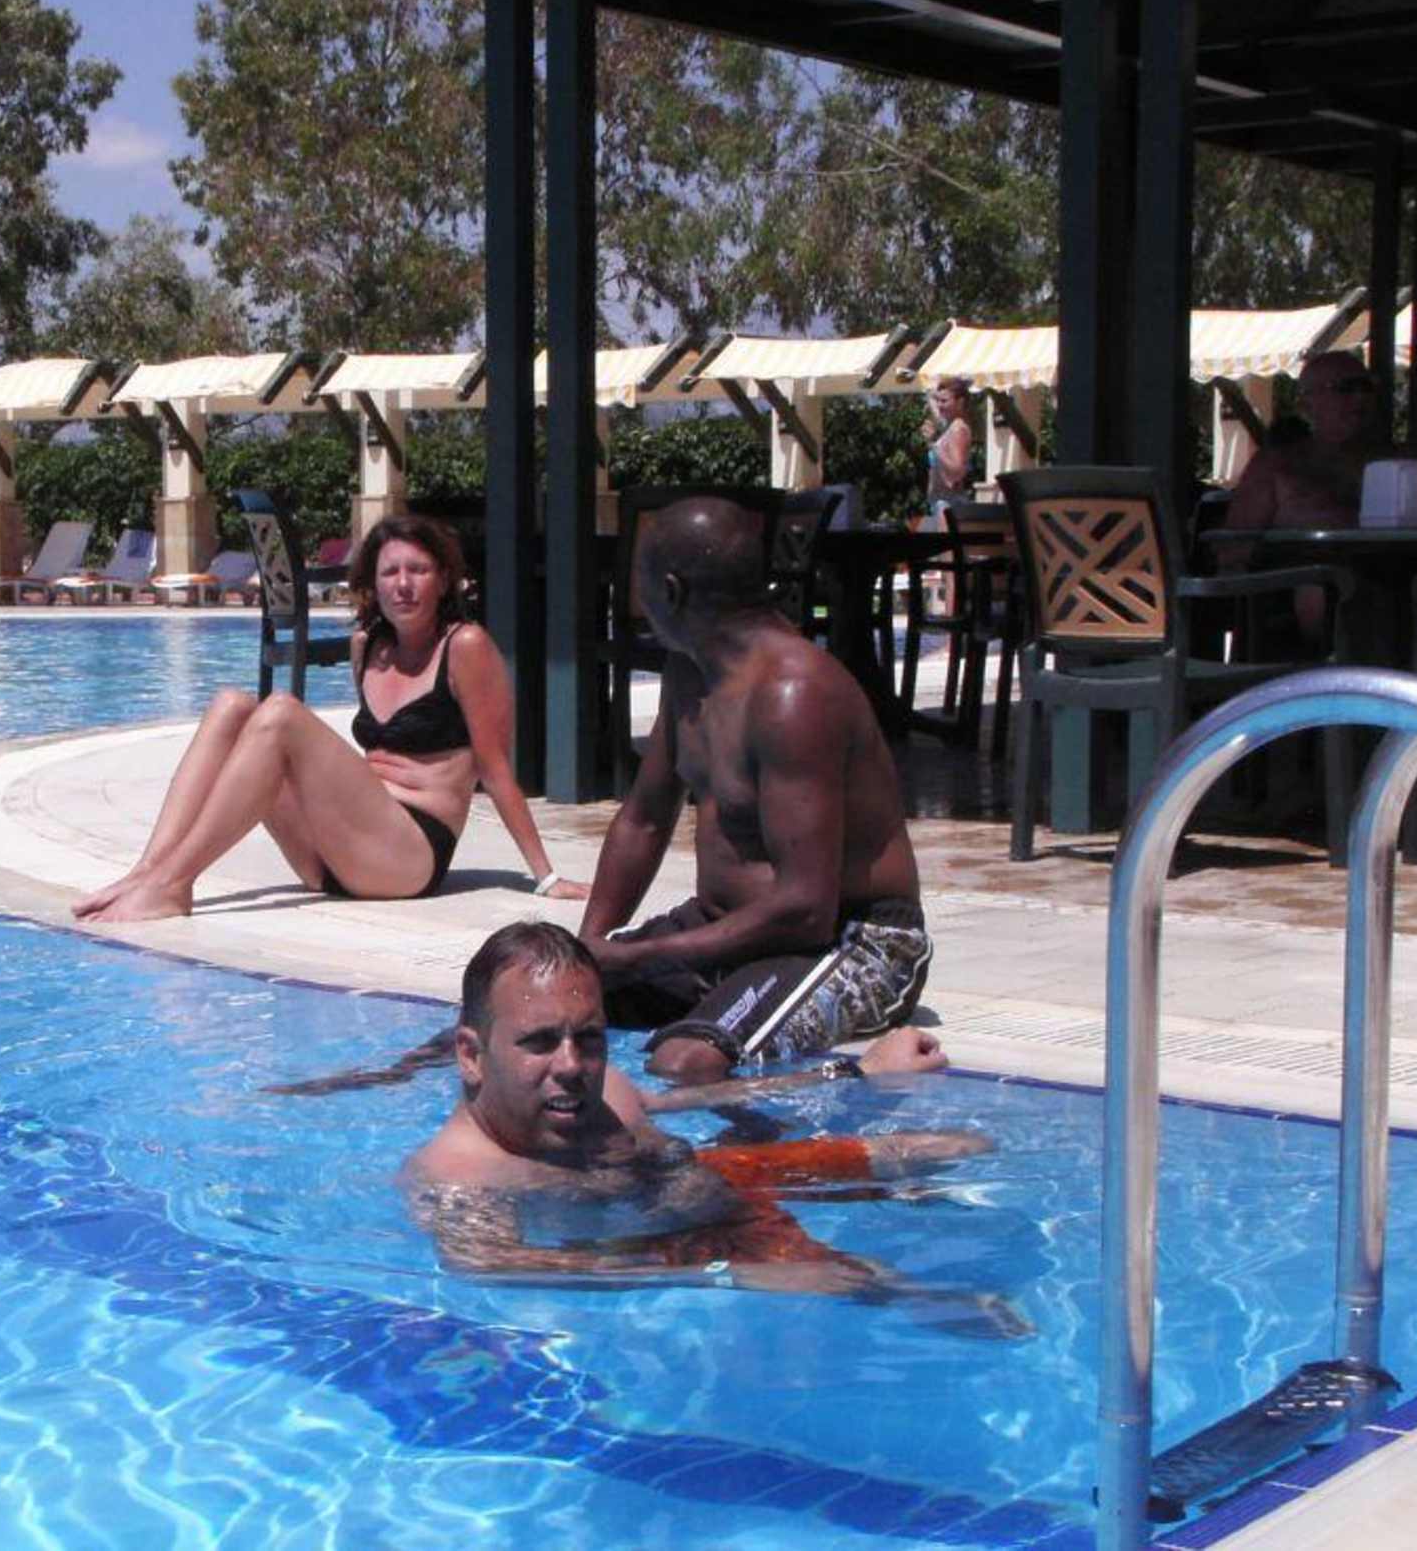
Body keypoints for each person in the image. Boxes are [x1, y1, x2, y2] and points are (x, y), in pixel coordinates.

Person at [402, 923, 1029, 1337]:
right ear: (470, 1054)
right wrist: (727, 1272)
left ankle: (900, 1193)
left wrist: (855, 1072)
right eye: (539, 1042)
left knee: (952, 1147)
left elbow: (693, 1099)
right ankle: (911, 1296)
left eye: (588, 1038)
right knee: (853, 1278)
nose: (571, 1065)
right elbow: (494, 1266)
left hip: (715, 1179)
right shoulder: (462, 1177)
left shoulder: (602, 1089)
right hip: (670, 1244)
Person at [75, 514, 590, 923]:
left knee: (281, 715)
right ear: (373, 584)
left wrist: (545, 877)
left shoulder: (466, 646)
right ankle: (148, 872)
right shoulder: (366, 647)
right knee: (231, 706)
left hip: (407, 857)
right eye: (390, 573)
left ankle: (173, 884)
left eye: (418, 570)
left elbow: (496, 769)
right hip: (333, 855)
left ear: (444, 581)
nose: (404, 585)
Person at [577, 497, 930, 1083]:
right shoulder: (688, 672)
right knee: (536, 1005)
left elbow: (807, 910)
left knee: (685, 1063)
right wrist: (588, 951)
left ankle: (858, 1077)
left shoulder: (795, 694)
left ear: (670, 590)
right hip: (726, 930)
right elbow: (644, 818)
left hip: (853, 942)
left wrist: (637, 957)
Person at [1224, 351, 1396, 644]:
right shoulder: (1277, 466)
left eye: (1366, 386)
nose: (1359, 398)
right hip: (1309, 591)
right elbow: (1232, 551)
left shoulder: (1398, 464)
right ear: (1307, 403)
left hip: (1399, 576)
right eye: (1345, 388)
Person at [921, 376, 974, 507]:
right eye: (938, 401)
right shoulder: (949, 428)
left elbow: (957, 471)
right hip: (940, 500)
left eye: (944, 401)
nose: (939, 405)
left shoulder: (958, 429)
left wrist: (933, 444)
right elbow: (932, 401)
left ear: (960, 402)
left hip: (949, 502)